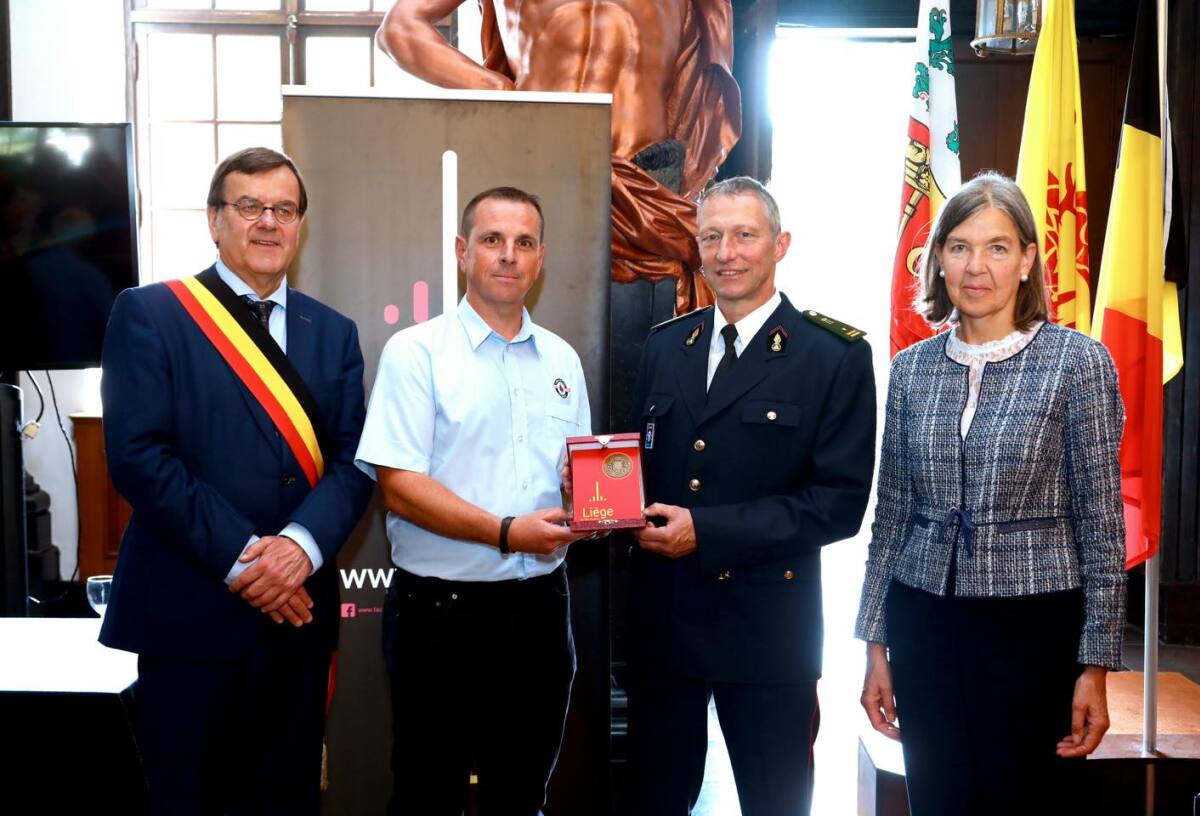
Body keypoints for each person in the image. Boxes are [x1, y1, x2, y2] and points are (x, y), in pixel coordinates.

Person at [99, 147, 373, 815]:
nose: (268, 222)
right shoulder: (152, 314)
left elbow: (355, 460)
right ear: (215, 220)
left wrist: (299, 549)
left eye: (284, 209)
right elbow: (139, 456)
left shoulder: (333, 333)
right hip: (189, 614)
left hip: (296, 626)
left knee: (285, 799)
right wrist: (249, 561)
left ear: (301, 225)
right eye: (249, 206)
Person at [855, 171, 1127, 816]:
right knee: (939, 797)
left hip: (1035, 632)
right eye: (960, 247)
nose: (977, 267)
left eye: (998, 247)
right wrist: (875, 647)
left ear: (1028, 259)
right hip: (925, 628)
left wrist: (1095, 666)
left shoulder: (1078, 363)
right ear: (938, 259)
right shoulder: (910, 370)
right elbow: (890, 515)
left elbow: (1102, 524)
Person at [626, 176, 877, 815]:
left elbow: (839, 504)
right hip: (667, 628)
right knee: (655, 800)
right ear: (696, 248)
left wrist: (706, 533)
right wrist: (602, 491)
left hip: (768, 631)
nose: (727, 252)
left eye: (744, 235)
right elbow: (646, 472)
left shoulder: (832, 356)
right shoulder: (663, 347)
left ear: (780, 244)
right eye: (711, 236)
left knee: (776, 803)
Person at [354, 186, 592, 815]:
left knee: (520, 796)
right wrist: (507, 531)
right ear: (463, 253)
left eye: (523, 243)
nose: (508, 256)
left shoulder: (563, 360)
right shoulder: (416, 354)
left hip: (542, 610)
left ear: (541, 258)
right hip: (441, 616)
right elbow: (399, 486)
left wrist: (585, 498)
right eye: (492, 240)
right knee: (427, 794)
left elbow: (576, 479)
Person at [376, 0, 740, 311]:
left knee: (646, 358)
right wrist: (497, 87)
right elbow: (400, 28)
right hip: (538, 163)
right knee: (523, 342)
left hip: (644, 184)